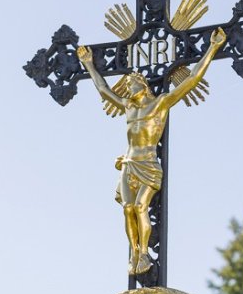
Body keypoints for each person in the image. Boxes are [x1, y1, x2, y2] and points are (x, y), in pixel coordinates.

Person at [76, 26, 225, 275]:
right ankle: (134, 253)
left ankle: (144, 253)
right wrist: (89, 64)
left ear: (143, 86)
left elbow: (191, 80)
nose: (128, 87)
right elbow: (104, 90)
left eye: (132, 83)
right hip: (128, 163)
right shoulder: (128, 106)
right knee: (127, 209)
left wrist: (213, 47)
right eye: (128, 84)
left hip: (148, 163)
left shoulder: (160, 104)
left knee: (140, 207)